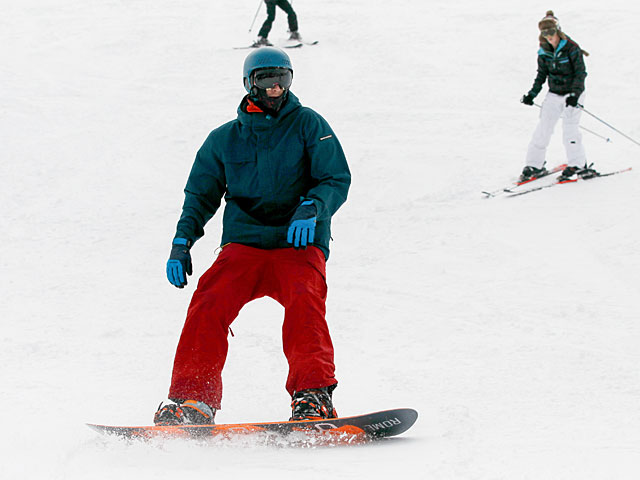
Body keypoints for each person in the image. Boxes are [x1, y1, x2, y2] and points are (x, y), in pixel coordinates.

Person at [155, 47, 351, 426]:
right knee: (209, 300)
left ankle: (313, 395)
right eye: (266, 79)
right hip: (245, 244)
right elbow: (200, 195)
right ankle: (192, 400)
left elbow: (335, 177)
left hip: (298, 243)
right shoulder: (224, 139)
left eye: (283, 78)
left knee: (304, 301)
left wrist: (313, 207)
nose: (276, 88)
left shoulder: (309, 125)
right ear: (249, 85)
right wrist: (182, 243)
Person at [520, 10, 594, 182]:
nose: (548, 36)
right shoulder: (543, 51)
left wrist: (575, 94)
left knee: (570, 129)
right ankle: (534, 165)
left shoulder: (571, 48)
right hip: (554, 93)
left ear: (558, 31)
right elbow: (541, 75)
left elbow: (580, 73)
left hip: (573, 94)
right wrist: (532, 94)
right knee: (543, 128)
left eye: (551, 32)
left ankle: (578, 164)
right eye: (544, 33)